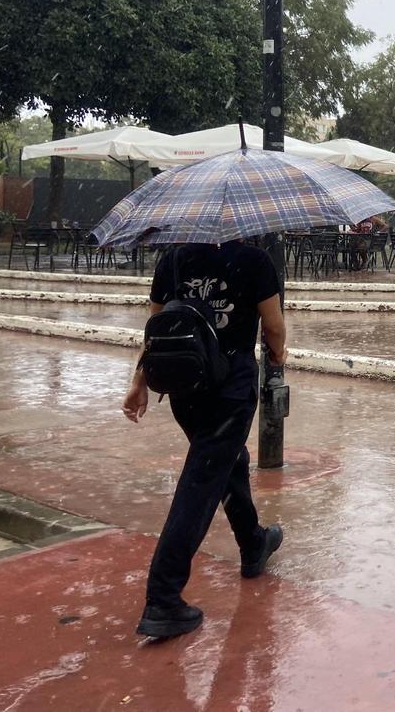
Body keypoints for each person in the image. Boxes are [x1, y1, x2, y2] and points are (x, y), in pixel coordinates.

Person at [121, 240, 287, 638]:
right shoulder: (254, 259)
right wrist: (279, 357)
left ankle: (253, 544)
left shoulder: (174, 260)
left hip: (186, 388)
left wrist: (138, 382)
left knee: (228, 463)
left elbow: (156, 330)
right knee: (201, 482)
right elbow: (274, 326)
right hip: (231, 390)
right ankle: (163, 599)